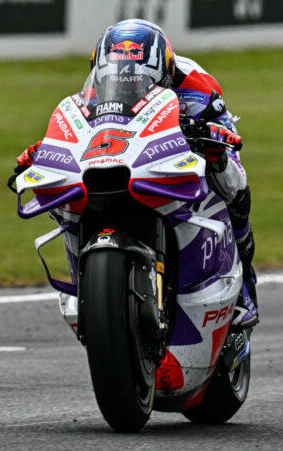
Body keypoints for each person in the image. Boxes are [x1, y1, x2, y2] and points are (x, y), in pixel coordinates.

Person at [14, 20, 259, 330]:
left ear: (164, 73)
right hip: (128, 153)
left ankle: (245, 292)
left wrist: (213, 141)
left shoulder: (197, 88)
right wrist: (46, 151)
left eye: (136, 81)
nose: (126, 85)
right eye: (119, 80)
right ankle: (86, 281)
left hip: (193, 135)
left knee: (234, 188)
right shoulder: (96, 87)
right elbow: (79, 128)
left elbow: (222, 132)